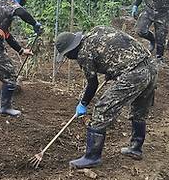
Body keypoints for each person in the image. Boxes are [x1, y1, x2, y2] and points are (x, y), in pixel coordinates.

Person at [54, 26, 158, 169]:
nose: (68, 57)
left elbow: (92, 84)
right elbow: (116, 48)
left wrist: (83, 103)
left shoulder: (83, 53)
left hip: (134, 74)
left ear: (72, 49)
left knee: (102, 110)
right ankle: (135, 148)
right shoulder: (97, 30)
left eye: (67, 54)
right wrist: (114, 69)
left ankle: (92, 157)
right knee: (139, 109)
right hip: (151, 66)